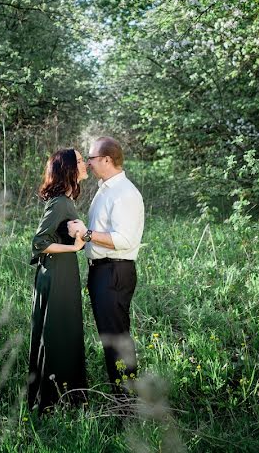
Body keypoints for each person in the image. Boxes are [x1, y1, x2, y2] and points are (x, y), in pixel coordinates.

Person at [68, 137, 144, 392]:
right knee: (110, 338)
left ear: (107, 160)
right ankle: (122, 396)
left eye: (91, 158)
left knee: (117, 339)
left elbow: (124, 239)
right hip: (102, 271)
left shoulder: (125, 194)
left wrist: (87, 233)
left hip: (115, 271)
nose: (87, 164)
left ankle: (126, 404)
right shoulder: (106, 189)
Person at [27, 148, 89, 412]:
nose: (85, 163)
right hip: (56, 276)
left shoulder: (66, 200)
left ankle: (66, 398)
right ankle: (52, 401)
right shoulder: (60, 202)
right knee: (56, 335)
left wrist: (81, 240)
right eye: (79, 160)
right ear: (68, 169)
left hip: (63, 273)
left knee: (65, 332)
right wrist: (75, 249)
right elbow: (39, 243)